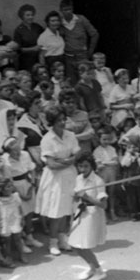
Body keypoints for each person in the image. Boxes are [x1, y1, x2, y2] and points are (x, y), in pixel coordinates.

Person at [36, 106, 82, 256]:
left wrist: (63, 160)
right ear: (52, 122)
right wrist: (69, 160)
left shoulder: (71, 135)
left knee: (67, 210)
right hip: (54, 179)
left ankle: (63, 239)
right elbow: (51, 165)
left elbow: (78, 156)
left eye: (64, 119)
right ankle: (53, 242)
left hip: (70, 176)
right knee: (56, 212)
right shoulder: (47, 139)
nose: (63, 122)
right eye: (59, 120)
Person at [69, 155, 108, 280]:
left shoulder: (98, 181)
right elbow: (76, 197)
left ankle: (99, 271)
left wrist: (86, 196)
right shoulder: (78, 178)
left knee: (84, 245)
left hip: (92, 214)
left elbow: (103, 205)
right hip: (81, 212)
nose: (83, 169)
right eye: (80, 166)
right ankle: (92, 267)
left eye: (86, 166)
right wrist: (76, 196)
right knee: (74, 245)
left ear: (92, 166)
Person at [59, 0, 99, 80]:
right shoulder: (59, 23)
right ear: (61, 10)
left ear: (72, 9)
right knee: (72, 81)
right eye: (65, 10)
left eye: (69, 9)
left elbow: (94, 34)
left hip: (82, 56)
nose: (68, 12)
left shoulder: (81, 19)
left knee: (85, 79)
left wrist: (90, 51)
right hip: (68, 58)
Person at [11, 5, 44, 73]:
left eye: (32, 15)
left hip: (38, 59)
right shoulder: (18, 30)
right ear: (22, 16)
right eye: (28, 15)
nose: (31, 17)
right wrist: (33, 48)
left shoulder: (37, 27)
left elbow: (45, 37)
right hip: (26, 61)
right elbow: (18, 50)